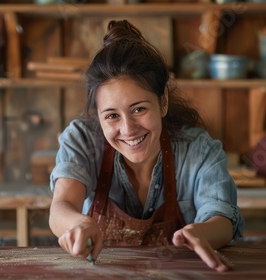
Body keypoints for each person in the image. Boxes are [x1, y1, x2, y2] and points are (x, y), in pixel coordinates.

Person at [48, 19, 244, 272]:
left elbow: (223, 218)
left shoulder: (198, 149)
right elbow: (61, 206)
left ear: (163, 102)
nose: (128, 129)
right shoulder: (82, 140)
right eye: (111, 116)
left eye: (139, 109)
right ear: (98, 115)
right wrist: (78, 225)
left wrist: (201, 232)